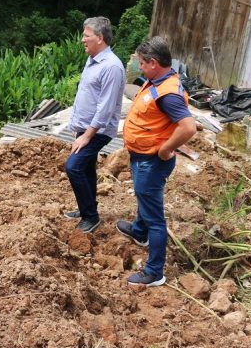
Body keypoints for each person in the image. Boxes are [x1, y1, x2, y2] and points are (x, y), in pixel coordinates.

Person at [117, 36, 196, 286]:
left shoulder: (168, 93)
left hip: (151, 161)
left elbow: (188, 127)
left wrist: (165, 149)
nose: (140, 67)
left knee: (155, 217)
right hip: (142, 157)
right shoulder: (157, 81)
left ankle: (154, 272)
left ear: (153, 63)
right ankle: (139, 232)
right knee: (145, 197)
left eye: (141, 63)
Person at [63, 17, 125, 234]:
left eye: (86, 35)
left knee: (74, 166)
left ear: (99, 38)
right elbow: (87, 94)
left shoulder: (111, 67)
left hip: (98, 130)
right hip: (85, 127)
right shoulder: (93, 59)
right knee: (87, 167)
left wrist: (87, 135)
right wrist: (76, 126)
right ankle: (85, 208)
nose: (82, 40)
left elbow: (106, 108)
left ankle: (91, 217)